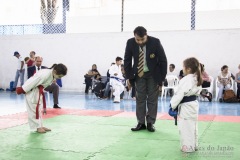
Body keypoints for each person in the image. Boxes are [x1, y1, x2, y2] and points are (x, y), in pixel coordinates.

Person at [124, 26, 167, 132]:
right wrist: (129, 77)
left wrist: (161, 78)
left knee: (152, 99)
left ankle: (150, 123)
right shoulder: (130, 43)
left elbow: (163, 61)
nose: (140, 42)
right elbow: (127, 61)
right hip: (138, 74)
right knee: (140, 99)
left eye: (142, 39)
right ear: (134, 36)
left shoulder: (155, 42)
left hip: (153, 75)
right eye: (137, 39)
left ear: (146, 35)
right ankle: (141, 122)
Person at [16, 63, 67, 133]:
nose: (59, 78)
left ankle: (40, 125)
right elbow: (32, 81)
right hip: (32, 91)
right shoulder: (44, 75)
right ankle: (36, 127)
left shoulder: (51, 73)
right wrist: (22, 89)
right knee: (33, 110)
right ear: (55, 71)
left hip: (38, 91)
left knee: (39, 109)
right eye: (59, 76)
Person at [170, 57, 202, 153]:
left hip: (186, 106)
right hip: (193, 105)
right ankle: (195, 145)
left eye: (183, 67)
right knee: (193, 125)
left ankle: (188, 148)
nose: (182, 69)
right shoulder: (197, 78)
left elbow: (179, 94)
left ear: (188, 69)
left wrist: (172, 105)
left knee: (186, 127)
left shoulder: (186, 79)